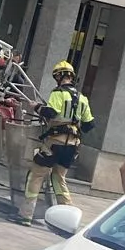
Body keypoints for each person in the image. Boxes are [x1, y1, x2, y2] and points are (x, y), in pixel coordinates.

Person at [29, 60, 94, 210]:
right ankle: (66, 212)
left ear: (59, 76)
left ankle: (25, 214)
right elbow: (89, 125)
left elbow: (50, 112)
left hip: (54, 143)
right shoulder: (83, 98)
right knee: (59, 178)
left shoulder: (58, 93)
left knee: (37, 175)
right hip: (72, 146)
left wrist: (36, 107)